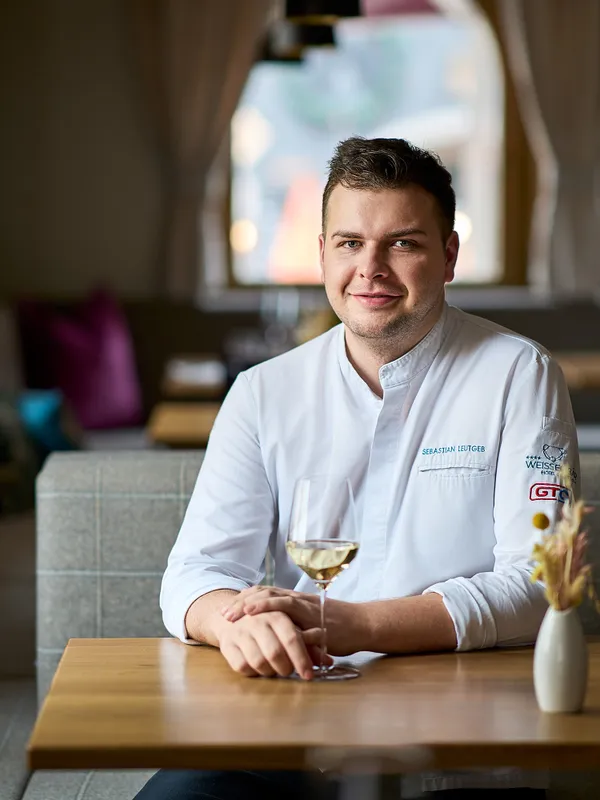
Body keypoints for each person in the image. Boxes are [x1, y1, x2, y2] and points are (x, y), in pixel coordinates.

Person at [135, 137, 578, 800]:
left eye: (403, 243)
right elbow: (196, 573)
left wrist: (357, 624)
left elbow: (542, 583)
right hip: (289, 724)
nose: (370, 269)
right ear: (322, 253)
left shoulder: (521, 374)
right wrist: (235, 621)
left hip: (469, 736)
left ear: (449, 256)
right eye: (349, 243)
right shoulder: (262, 392)